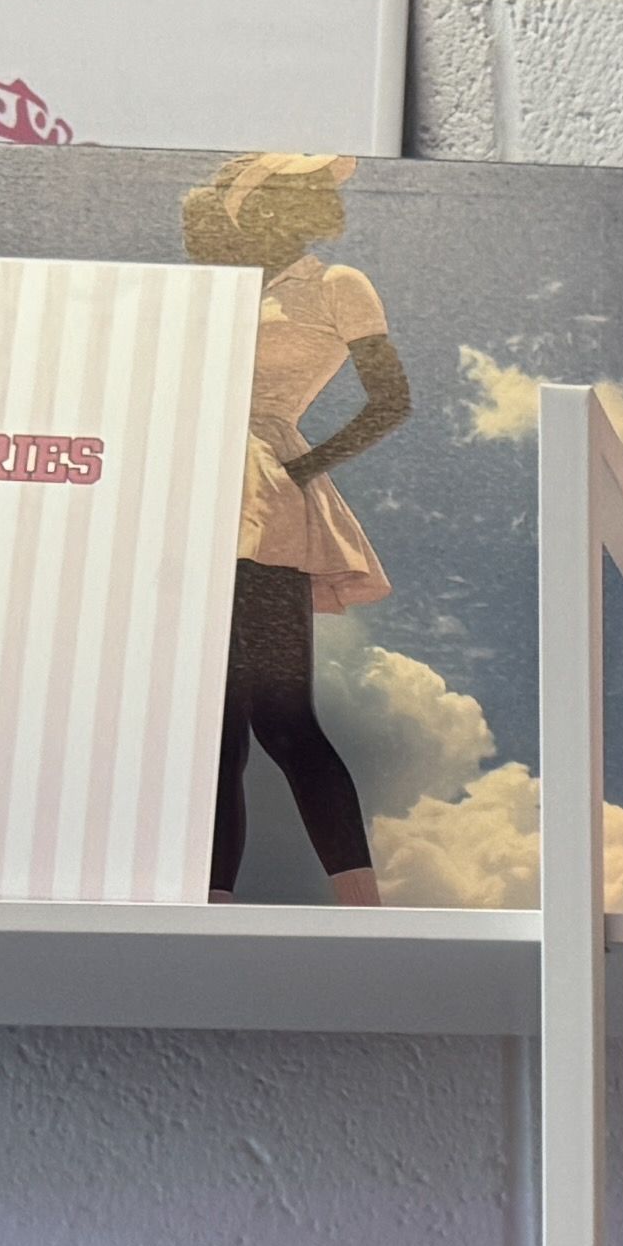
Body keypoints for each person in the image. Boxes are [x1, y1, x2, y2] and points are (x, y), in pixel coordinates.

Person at [186, 151, 412, 903]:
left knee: (284, 719)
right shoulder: (221, 292)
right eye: (308, 186)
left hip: (267, 493)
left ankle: (362, 908)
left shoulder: (336, 285)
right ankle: (210, 912)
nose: (326, 197)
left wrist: (304, 469)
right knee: (215, 728)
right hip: (193, 487)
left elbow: (390, 399)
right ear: (262, 206)